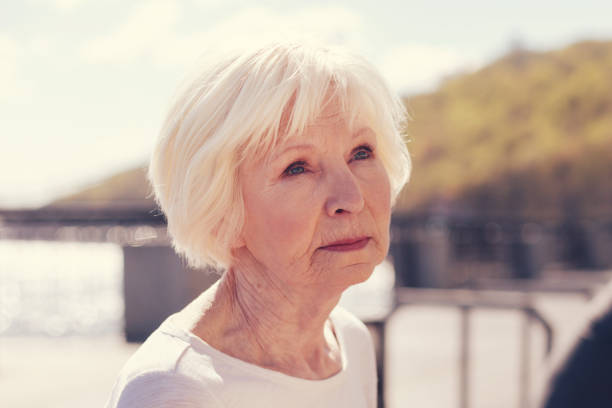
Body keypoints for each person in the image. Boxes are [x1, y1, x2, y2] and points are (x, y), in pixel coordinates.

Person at [105, 40, 411, 408]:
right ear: (221, 209)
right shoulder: (174, 390)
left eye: (361, 153)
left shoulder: (350, 342)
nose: (352, 199)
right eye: (297, 167)